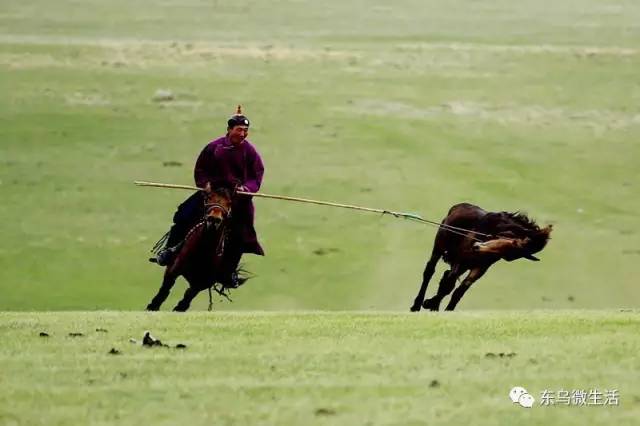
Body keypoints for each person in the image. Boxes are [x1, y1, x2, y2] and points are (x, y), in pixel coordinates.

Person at [150, 106, 265, 287]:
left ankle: (228, 272)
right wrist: (205, 184)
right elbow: (200, 169)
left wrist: (247, 188)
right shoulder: (214, 147)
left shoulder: (250, 152)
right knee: (184, 215)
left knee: (242, 234)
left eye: (245, 131)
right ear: (229, 130)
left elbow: (256, 175)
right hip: (211, 195)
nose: (242, 134)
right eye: (239, 130)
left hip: (236, 199)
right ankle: (168, 252)